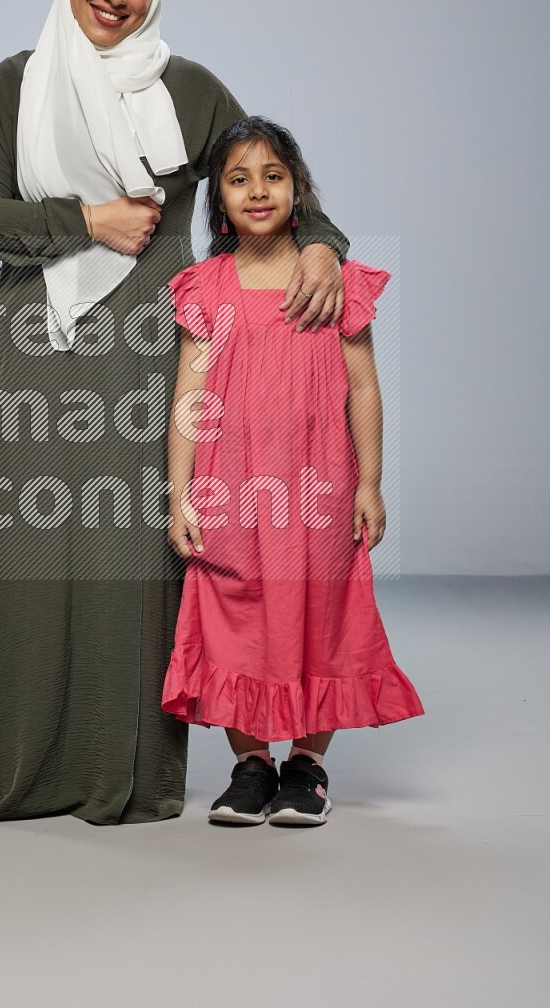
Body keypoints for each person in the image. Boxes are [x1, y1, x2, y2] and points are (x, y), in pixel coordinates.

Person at [0, 0, 350, 826]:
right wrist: (83, 221)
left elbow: (267, 176)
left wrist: (322, 243)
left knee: (140, 557)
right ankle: (31, 769)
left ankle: (128, 773)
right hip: (41, 345)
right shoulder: (13, 85)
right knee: (35, 550)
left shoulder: (191, 87)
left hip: (157, 353)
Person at [163, 116, 424, 826]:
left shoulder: (333, 280)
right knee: (232, 618)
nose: (256, 191)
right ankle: (251, 764)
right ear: (218, 201)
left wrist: (369, 482)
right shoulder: (205, 286)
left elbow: (364, 386)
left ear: (298, 191)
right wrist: (179, 491)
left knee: (324, 614)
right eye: (238, 179)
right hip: (231, 490)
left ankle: (307, 767)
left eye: (272, 176)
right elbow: (189, 393)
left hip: (318, 488)